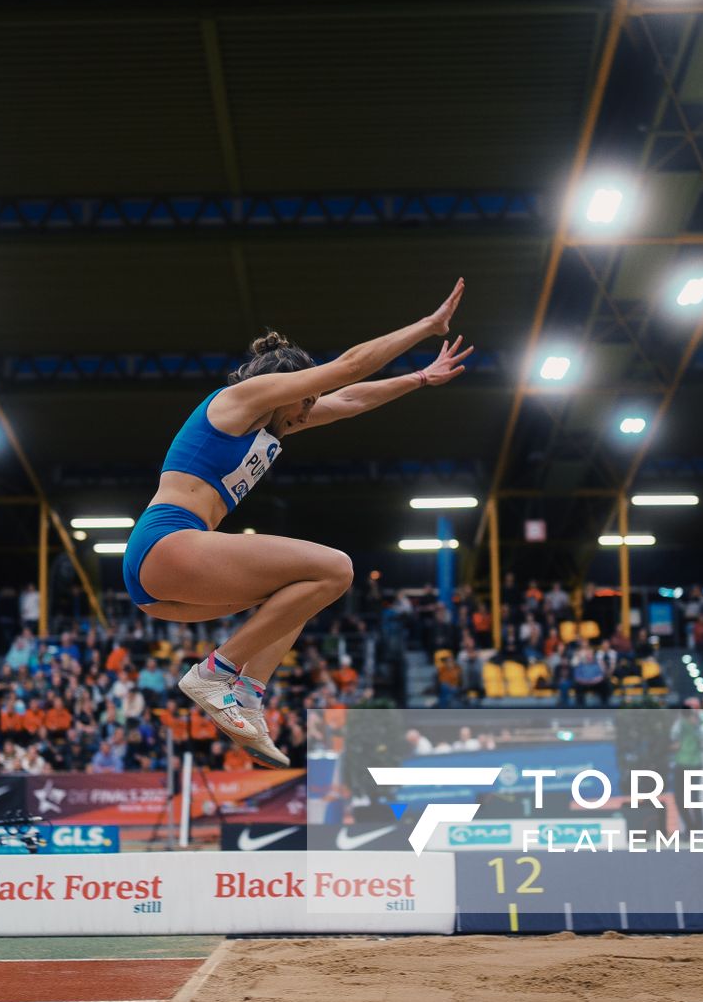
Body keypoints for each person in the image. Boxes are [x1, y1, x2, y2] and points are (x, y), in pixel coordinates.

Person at [121, 278, 471, 765]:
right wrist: (427, 327)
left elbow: (350, 400)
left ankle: (245, 693)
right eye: (305, 399)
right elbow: (348, 370)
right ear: (287, 386)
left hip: (167, 587)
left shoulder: (266, 422)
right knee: (336, 568)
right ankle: (215, 672)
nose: (308, 411)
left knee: (299, 596)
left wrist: (418, 379)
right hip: (167, 541)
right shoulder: (239, 400)